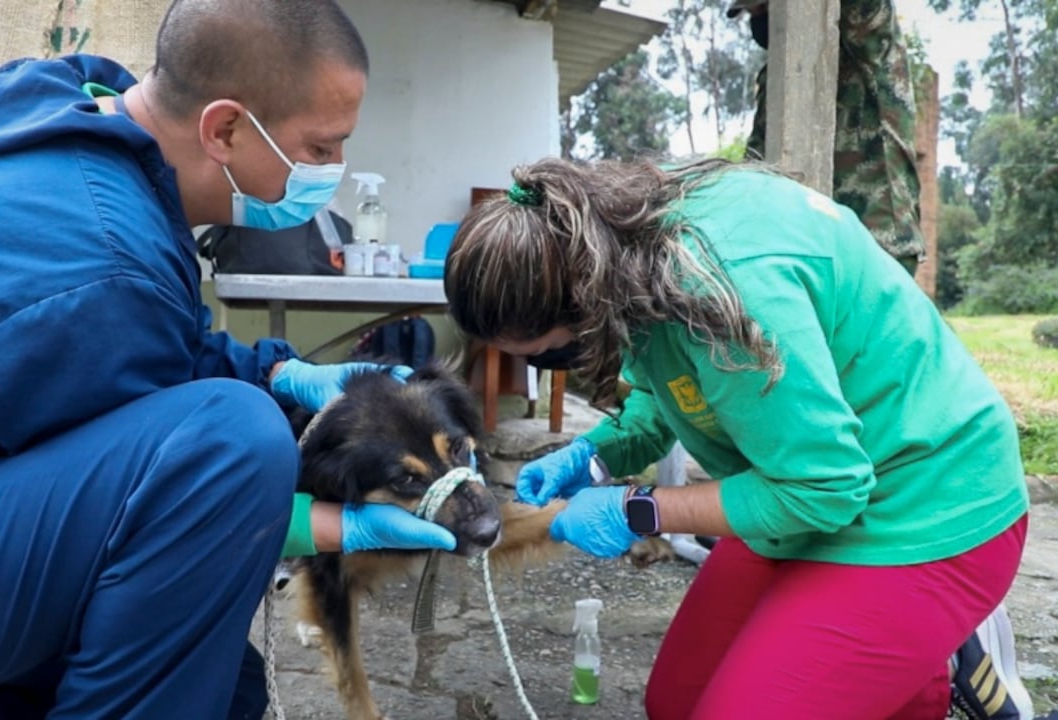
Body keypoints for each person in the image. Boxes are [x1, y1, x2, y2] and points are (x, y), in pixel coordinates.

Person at [0, 1, 459, 718]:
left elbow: (163, 362)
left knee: (226, 689)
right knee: (236, 442)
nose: (333, 172)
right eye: (320, 149)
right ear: (225, 129)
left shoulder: (86, 132)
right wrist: (330, 525)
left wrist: (283, 375)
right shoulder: (104, 259)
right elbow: (177, 487)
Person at [442, 156, 1032, 720]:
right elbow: (674, 384)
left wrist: (637, 509)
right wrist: (596, 454)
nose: (555, 365)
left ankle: (935, 661)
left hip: (922, 506)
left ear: (583, 306)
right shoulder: (622, 244)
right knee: (675, 705)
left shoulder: (729, 288)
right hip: (804, 487)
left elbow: (821, 491)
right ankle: (908, 673)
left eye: (548, 354)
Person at [729, 0, 926, 275]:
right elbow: (756, 163)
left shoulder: (867, 45)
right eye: (753, 14)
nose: (760, 21)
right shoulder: (779, 74)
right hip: (812, 245)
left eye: (764, 8)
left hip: (876, 237)